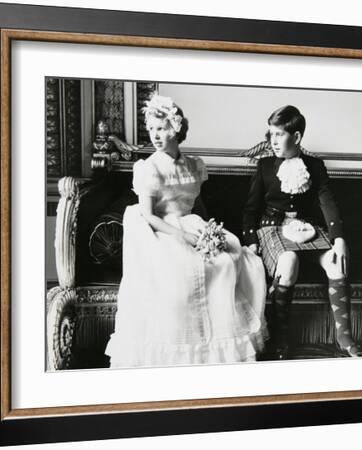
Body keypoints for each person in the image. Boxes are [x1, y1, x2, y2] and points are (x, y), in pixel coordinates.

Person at [105, 95, 267, 368]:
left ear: (176, 128)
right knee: (180, 275)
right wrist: (183, 237)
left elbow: (197, 205)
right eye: (152, 129)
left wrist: (208, 233)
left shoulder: (194, 165)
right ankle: (181, 351)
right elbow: (148, 214)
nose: (155, 135)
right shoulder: (149, 168)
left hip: (192, 223)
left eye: (162, 128)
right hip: (160, 230)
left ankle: (217, 350)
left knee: (229, 261)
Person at [242, 105, 362, 359]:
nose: (272, 141)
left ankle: (345, 338)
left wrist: (339, 240)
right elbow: (251, 210)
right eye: (271, 134)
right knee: (288, 261)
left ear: (296, 137)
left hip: (309, 228)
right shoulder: (264, 166)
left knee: (336, 263)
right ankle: (281, 338)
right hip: (272, 228)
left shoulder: (316, 166)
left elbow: (327, 202)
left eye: (279, 135)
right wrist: (251, 242)